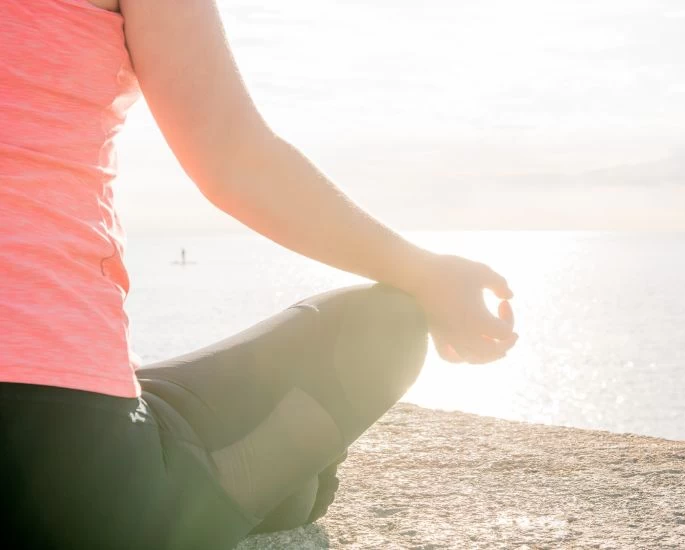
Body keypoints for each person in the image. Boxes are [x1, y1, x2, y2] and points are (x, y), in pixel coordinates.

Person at [0, 1, 518, 549]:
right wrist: (427, 275)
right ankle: (276, 489)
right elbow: (234, 161)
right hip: (62, 475)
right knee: (385, 325)